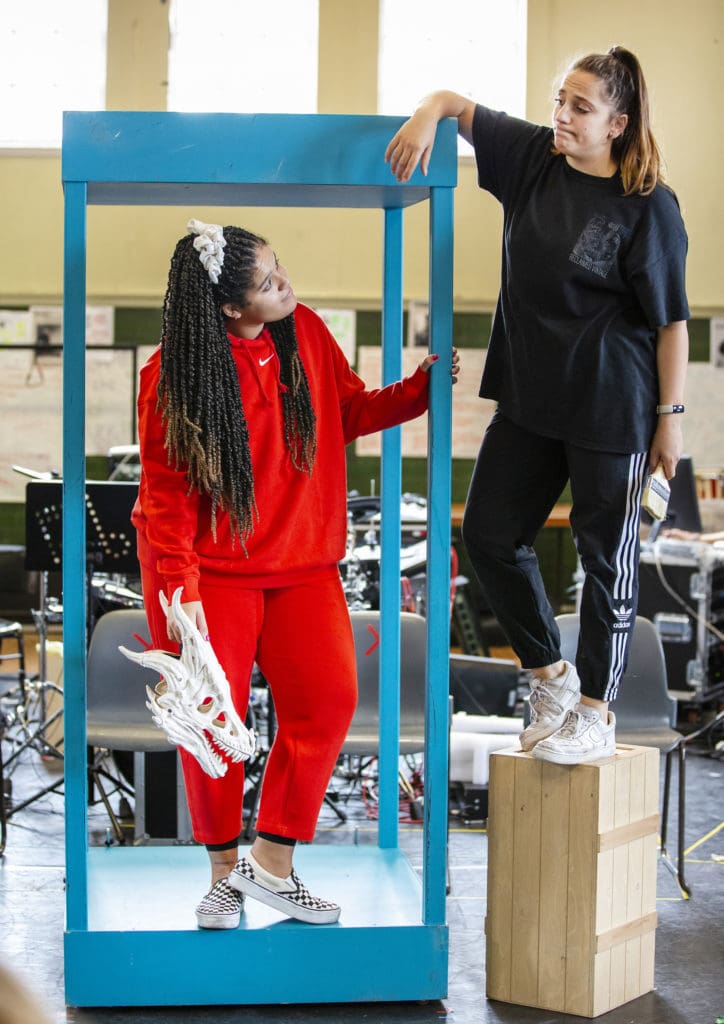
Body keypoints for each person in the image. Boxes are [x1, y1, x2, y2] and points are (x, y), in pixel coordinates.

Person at [132, 219, 459, 929]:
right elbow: (166, 502)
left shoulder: (304, 330)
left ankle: (271, 865)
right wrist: (185, 617)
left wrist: (418, 391)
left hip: (303, 563)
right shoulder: (172, 378)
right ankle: (223, 875)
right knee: (212, 720)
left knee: (328, 702)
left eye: (282, 270)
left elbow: (347, 411)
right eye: (270, 284)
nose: (288, 286)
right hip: (207, 573)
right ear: (228, 308)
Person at [386, 46, 689, 765]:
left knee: (606, 563)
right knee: (489, 534)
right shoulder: (531, 158)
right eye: (560, 100)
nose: (561, 116)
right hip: (528, 399)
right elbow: (458, 105)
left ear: (618, 121)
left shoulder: (649, 206)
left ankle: (595, 712)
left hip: (614, 408)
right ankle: (551, 675)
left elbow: (672, 322)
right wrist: (428, 112)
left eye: (580, 108)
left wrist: (669, 422)